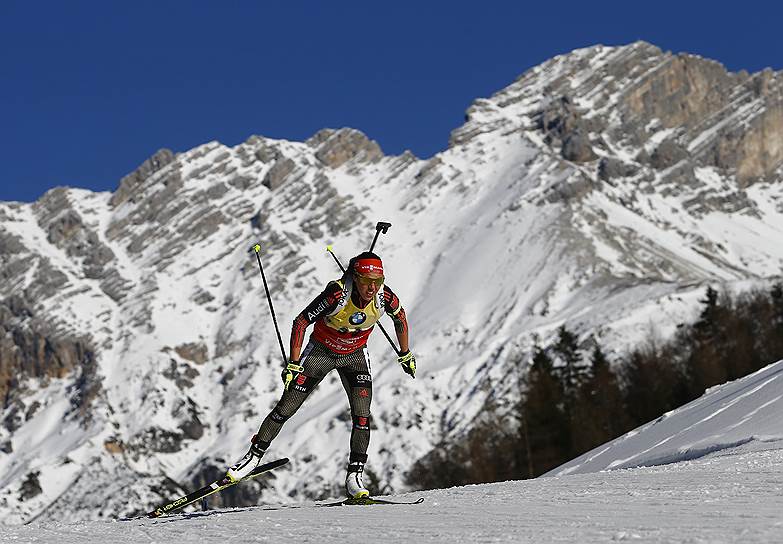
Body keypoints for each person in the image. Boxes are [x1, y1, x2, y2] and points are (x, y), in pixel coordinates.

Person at [224, 251, 416, 498]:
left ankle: (355, 476)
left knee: (362, 415)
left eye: (377, 281)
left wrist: (405, 353)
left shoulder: (383, 296)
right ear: (354, 277)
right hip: (320, 353)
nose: (372, 288)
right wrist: (294, 363)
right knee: (287, 407)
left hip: (355, 356)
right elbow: (301, 321)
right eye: (367, 281)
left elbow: (400, 317)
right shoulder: (337, 294)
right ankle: (253, 458)